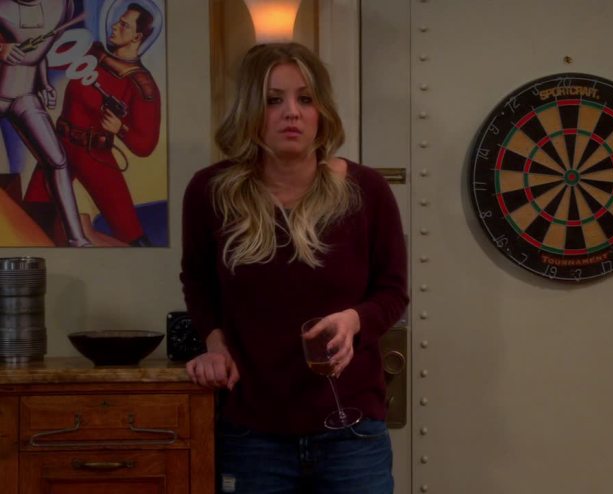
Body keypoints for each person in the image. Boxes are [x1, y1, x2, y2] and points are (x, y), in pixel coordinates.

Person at [180, 42, 408, 493]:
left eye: (305, 99)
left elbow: (393, 290)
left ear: (321, 111)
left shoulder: (367, 190)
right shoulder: (211, 192)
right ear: (251, 110)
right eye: (273, 100)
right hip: (253, 434)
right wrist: (214, 345)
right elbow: (198, 282)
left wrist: (355, 320)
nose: (292, 113)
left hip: (351, 432)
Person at [24, 2, 161, 246]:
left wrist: (121, 129)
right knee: (32, 219)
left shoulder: (142, 85)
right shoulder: (92, 53)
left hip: (94, 154)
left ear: (137, 37)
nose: (115, 26)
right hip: (58, 146)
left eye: (124, 25)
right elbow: (43, 56)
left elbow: (146, 145)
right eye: (118, 20)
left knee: (132, 236)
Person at [0, 0, 90, 246]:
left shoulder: (62, 6)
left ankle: (77, 239)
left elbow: (38, 48)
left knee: (58, 161)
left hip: (25, 96)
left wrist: (43, 83)